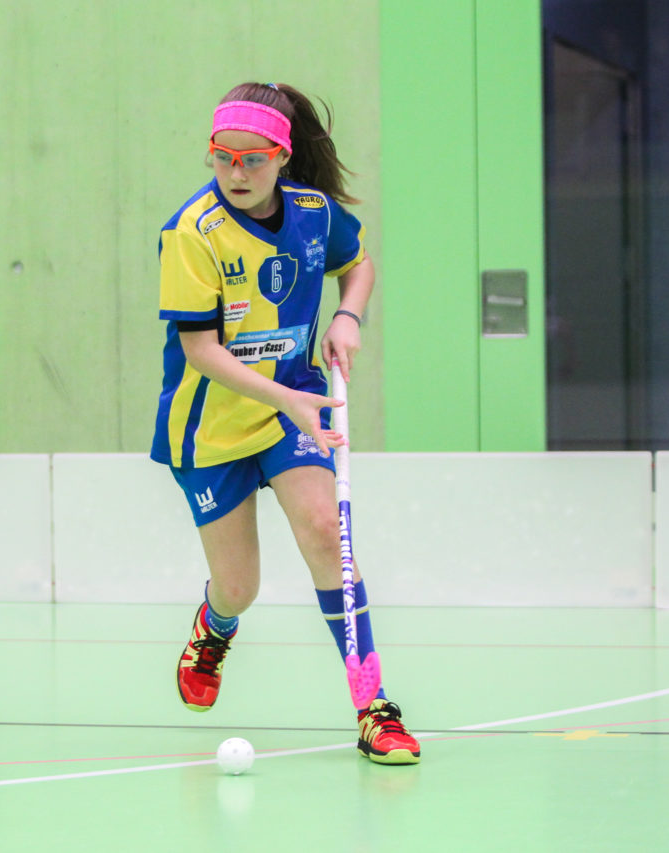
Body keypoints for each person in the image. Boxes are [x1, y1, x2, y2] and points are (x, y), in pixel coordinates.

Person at [152, 82, 420, 764]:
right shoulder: (191, 233)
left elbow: (357, 265)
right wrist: (284, 398)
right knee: (240, 584)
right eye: (221, 159)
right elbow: (199, 351)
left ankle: (373, 705)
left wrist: (347, 316)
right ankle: (215, 626)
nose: (235, 174)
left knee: (329, 533)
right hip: (209, 422)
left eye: (252, 160)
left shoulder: (312, 213)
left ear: (281, 156)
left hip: (289, 404)